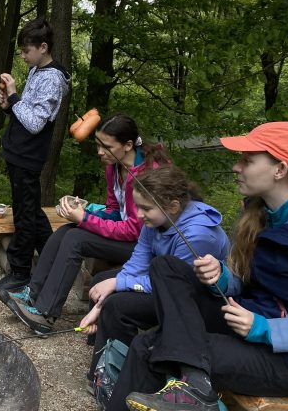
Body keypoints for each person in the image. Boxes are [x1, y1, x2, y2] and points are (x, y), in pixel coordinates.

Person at [114, 122, 288, 411]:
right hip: (246, 320)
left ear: (280, 169)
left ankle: (195, 390)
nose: (236, 167)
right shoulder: (259, 212)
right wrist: (221, 276)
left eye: (247, 160)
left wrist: (265, 328)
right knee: (166, 267)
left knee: (151, 347)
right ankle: (196, 386)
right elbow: (246, 280)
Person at [0, 114, 169, 333]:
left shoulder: (146, 175)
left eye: (107, 147)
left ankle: (45, 315)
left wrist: (86, 220)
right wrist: (84, 212)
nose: (100, 152)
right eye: (98, 145)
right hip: (128, 236)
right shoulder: (114, 166)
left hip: (146, 247)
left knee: (76, 238)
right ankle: (32, 294)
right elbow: (114, 210)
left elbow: (136, 230)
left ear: (127, 145)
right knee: (66, 231)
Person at [77, 165, 230, 389]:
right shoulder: (158, 219)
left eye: (145, 208)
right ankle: (104, 351)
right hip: (166, 286)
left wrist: (117, 286)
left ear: (173, 206)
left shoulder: (197, 235)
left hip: (194, 304)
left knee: (117, 306)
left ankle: (113, 379)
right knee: (102, 283)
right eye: (138, 206)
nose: (138, 214)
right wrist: (105, 297)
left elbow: (174, 285)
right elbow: (137, 263)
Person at [0, 18, 71, 292]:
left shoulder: (52, 78)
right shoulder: (38, 70)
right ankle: (53, 261)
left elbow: (35, 124)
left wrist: (14, 96)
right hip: (18, 152)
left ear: (43, 47)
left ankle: (20, 273)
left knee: (24, 216)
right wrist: (9, 106)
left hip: (28, 156)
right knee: (32, 212)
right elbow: (27, 113)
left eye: (26, 51)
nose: (23, 56)